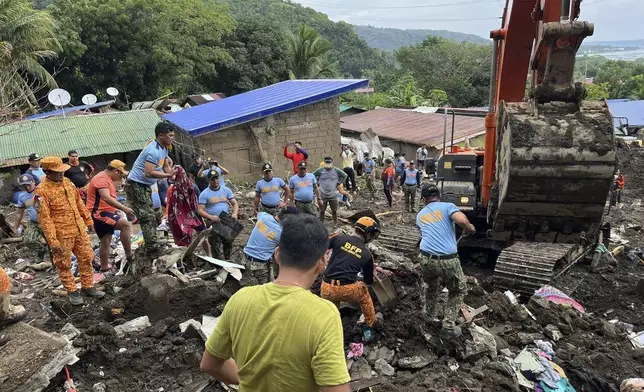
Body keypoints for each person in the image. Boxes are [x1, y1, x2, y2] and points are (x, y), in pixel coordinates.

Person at [200, 215, 350, 392]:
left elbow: (209, 364)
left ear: (277, 254)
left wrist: (248, 379)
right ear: (322, 262)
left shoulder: (240, 299)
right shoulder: (324, 314)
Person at [35, 156, 105, 305]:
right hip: (61, 234)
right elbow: (44, 219)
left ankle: (88, 286)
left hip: (78, 229)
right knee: (64, 263)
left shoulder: (68, 183)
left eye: (62, 171)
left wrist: (88, 220)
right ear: (47, 172)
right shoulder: (42, 191)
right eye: (57, 172)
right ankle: (72, 291)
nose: (61, 174)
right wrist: (52, 241)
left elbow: (79, 203)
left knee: (86, 257)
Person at [416, 184, 475, 339]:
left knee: (432, 286)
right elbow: (461, 219)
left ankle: (429, 315)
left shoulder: (420, 215)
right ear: (439, 196)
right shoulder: (448, 206)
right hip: (447, 260)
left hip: (425, 258)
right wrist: (470, 228)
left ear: (423, 199)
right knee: (458, 290)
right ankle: (448, 326)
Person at [321, 217, 380, 342]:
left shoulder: (339, 238)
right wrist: (368, 272)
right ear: (368, 234)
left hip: (326, 286)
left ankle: (329, 335)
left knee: (331, 309)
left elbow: (323, 244)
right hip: (346, 289)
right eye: (373, 235)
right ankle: (369, 328)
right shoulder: (366, 254)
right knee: (364, 293)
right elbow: (368, 281)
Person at [125, 122, 176, 254]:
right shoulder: (152, 151)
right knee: (146, 215)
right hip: (136, 184)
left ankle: (154, 241)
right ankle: (152, 247)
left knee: (154, 213)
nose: (172, 138)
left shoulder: (164, 148)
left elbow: (165, 166)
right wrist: (167, 174)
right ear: (161, 135)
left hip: (145, 184)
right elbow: (148, 172)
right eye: (170, 135)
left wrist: (174, 176)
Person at [85, 160, 134, 275]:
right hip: (100, 213)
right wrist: (124, 208)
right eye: (121, 174)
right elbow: (106, 198)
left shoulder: (107, 179)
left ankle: (104, 267)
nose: (121, 176)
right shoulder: (101, 179)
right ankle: (129, 255)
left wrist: (116, 210)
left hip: (105, 212)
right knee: (125, 225)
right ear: (116, 171)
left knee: (106, 240)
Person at [243, 206, 300, 284]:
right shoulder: (281, 233)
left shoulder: (264, 216)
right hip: (260, 264)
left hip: (244, 258)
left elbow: (258, 214)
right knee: (267, 288)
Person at [198, 171, 239, 260]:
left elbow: (234, 204)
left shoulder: (226, 190)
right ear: (209, 180)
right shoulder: (204, 194)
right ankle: (217, 263)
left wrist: (235, 213)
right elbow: (200, 210)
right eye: (213, 179)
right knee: (215, 244)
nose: (215, 181)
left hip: (225, 218)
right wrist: (210, 217)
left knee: (228, 241)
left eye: (217, 178)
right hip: (213, 221)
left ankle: (228, 259)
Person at [12, 174, 49, 262]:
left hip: (47, 220)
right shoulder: (22, 196)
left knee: (51, 241)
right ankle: (43, 251)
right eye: (24, 185)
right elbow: (19, 213)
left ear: (34, 182)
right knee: (28, 240)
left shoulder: (42, 191)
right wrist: (15, 227)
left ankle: (50, 257)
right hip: (33, 222)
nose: (27, 187)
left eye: (29, 184)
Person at [313, 157, 348, 226]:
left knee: (334, 210)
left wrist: (338, 182)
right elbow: (312, 175)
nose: (327, 164)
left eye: (329, 163)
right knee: (322, 211)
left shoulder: (336, 170)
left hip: (333, 195)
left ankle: (335, 223)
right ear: (324, 162)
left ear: (331, 163)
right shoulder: (320, 170)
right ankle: (321, 224)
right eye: (326, 163)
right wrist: (316, 182)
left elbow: (345, 175)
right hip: (323, 195)